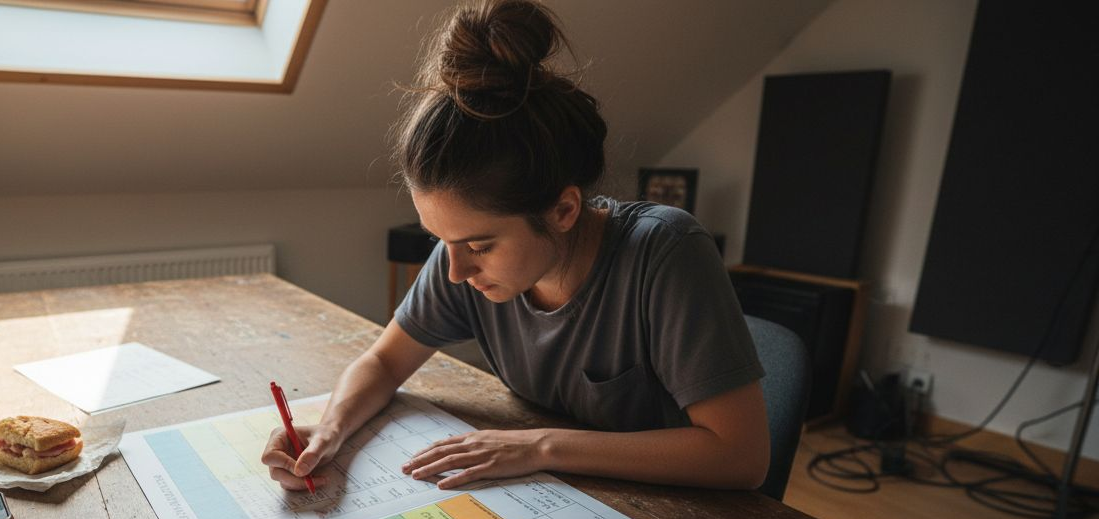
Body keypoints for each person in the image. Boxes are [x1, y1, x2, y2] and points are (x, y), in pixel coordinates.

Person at [263, 0, 769, 493]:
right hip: (565, 497)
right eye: (440, 240)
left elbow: (741, 456)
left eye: (479, 246)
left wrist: (539, 447)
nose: (455, 270)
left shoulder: (665, 254)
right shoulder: (460, 257)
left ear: (563, 211)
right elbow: (384, 362)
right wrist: (330, 427)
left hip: (684, 518)